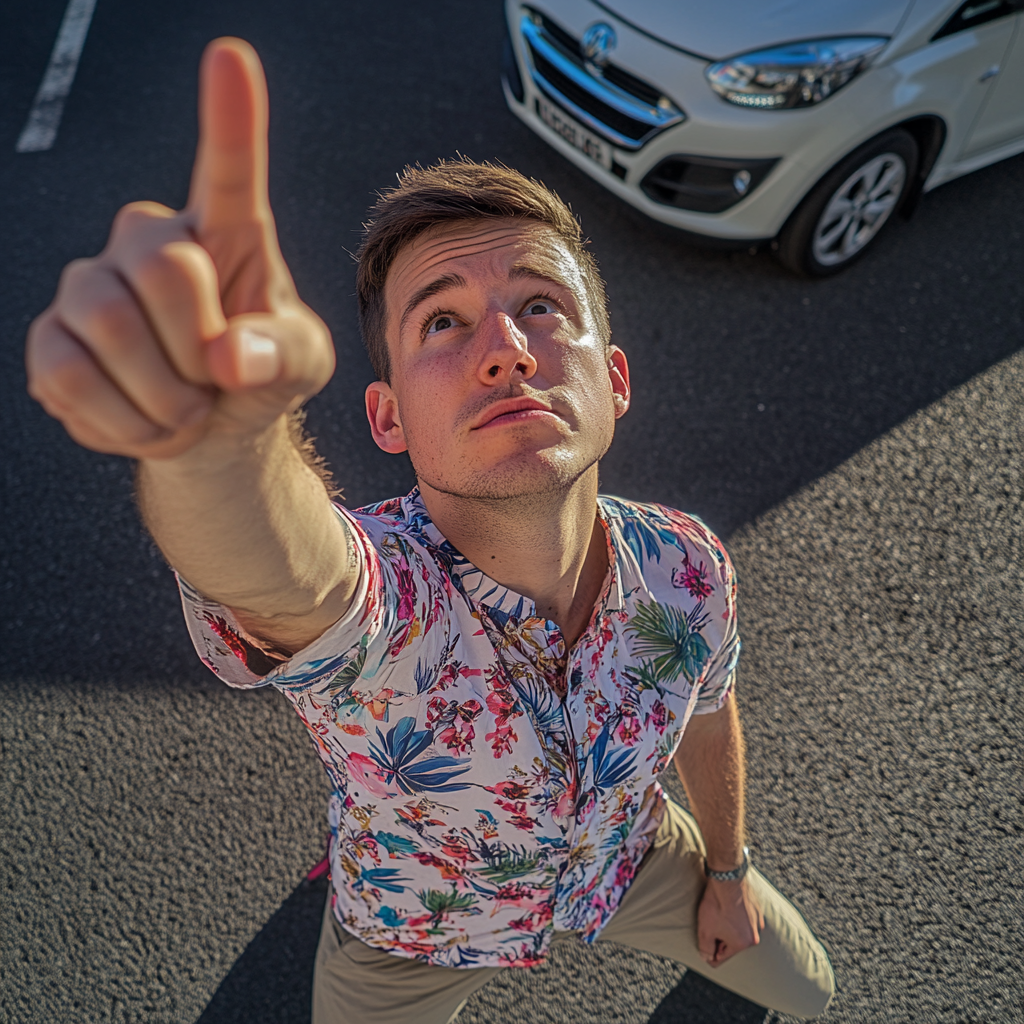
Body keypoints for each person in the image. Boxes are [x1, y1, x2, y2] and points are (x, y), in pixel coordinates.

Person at [26, 37, 835, 1024]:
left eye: (539, 305)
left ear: (614, 380)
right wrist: (213, 445)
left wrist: (728, 867)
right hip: (410, 931)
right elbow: (292, 575)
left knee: (807, 987)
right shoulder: (386, 603)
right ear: (387, 418)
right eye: (442, 323)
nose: (504, 349)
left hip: (633, 863)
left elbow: (710, 709)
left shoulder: (690, 567)